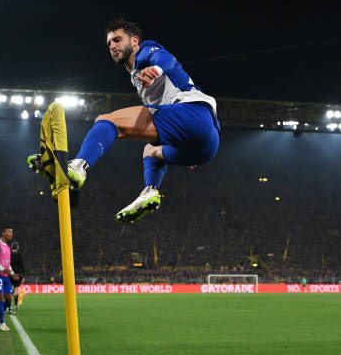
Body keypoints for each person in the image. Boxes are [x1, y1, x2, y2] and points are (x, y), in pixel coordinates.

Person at [59, 17, 220, 223]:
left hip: (194, 113)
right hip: (205, 146)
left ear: (134, 41)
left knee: (107, 120)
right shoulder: (137, 76)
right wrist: (186, 147)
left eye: (117, 40)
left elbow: (166, 60)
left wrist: (156, 70)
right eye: (109, 43)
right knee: (150, 150)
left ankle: (79, 166)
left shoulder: (145, 51)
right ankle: (150, 191)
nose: (112, 46)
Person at [9, 241, 25, 315]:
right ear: (17, 247)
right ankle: (15, 306)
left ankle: (8, 307)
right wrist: (23, 276)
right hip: (18, 275)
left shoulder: (9, 254)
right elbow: (22, 265)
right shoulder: (20, 255)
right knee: (16, 289)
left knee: (9, 290)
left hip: (10, 274)